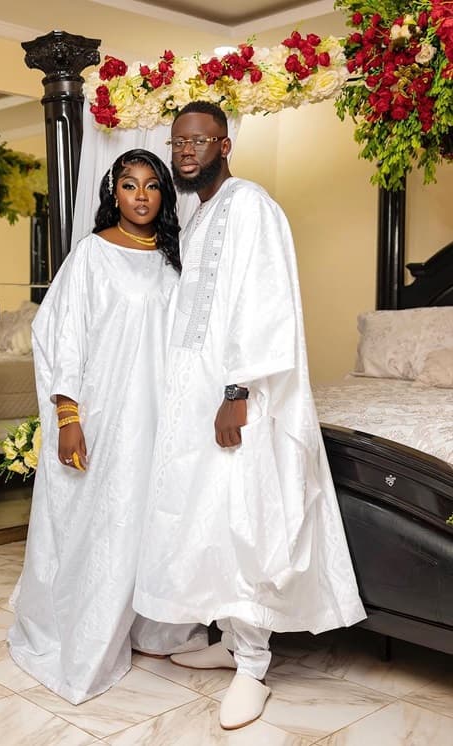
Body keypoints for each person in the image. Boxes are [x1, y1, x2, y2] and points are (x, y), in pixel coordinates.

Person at [133, 102, 366, 730]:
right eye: (178, 141)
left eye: (198, 141)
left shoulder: (251, 205)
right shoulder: (200, 213)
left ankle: (253, 669)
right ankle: (231, 641)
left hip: (238, 393)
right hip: (195, 390)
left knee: (245, 517)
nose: (184, 152)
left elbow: (264, 300)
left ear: (225, 144)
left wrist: (237, 392)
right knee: (205, 514)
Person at [8, 149, 207, 705]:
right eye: (128, 185)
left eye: (151, 186)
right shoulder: (91, 255)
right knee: (103, 520)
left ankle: (153, 626)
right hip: (106, 413)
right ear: (112, 193)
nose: (140, 195)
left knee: (152, 518)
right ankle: (86, 628)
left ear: (164, 196)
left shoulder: (175, 258)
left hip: (161, 415)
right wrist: (68, 418)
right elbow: (63, 337)